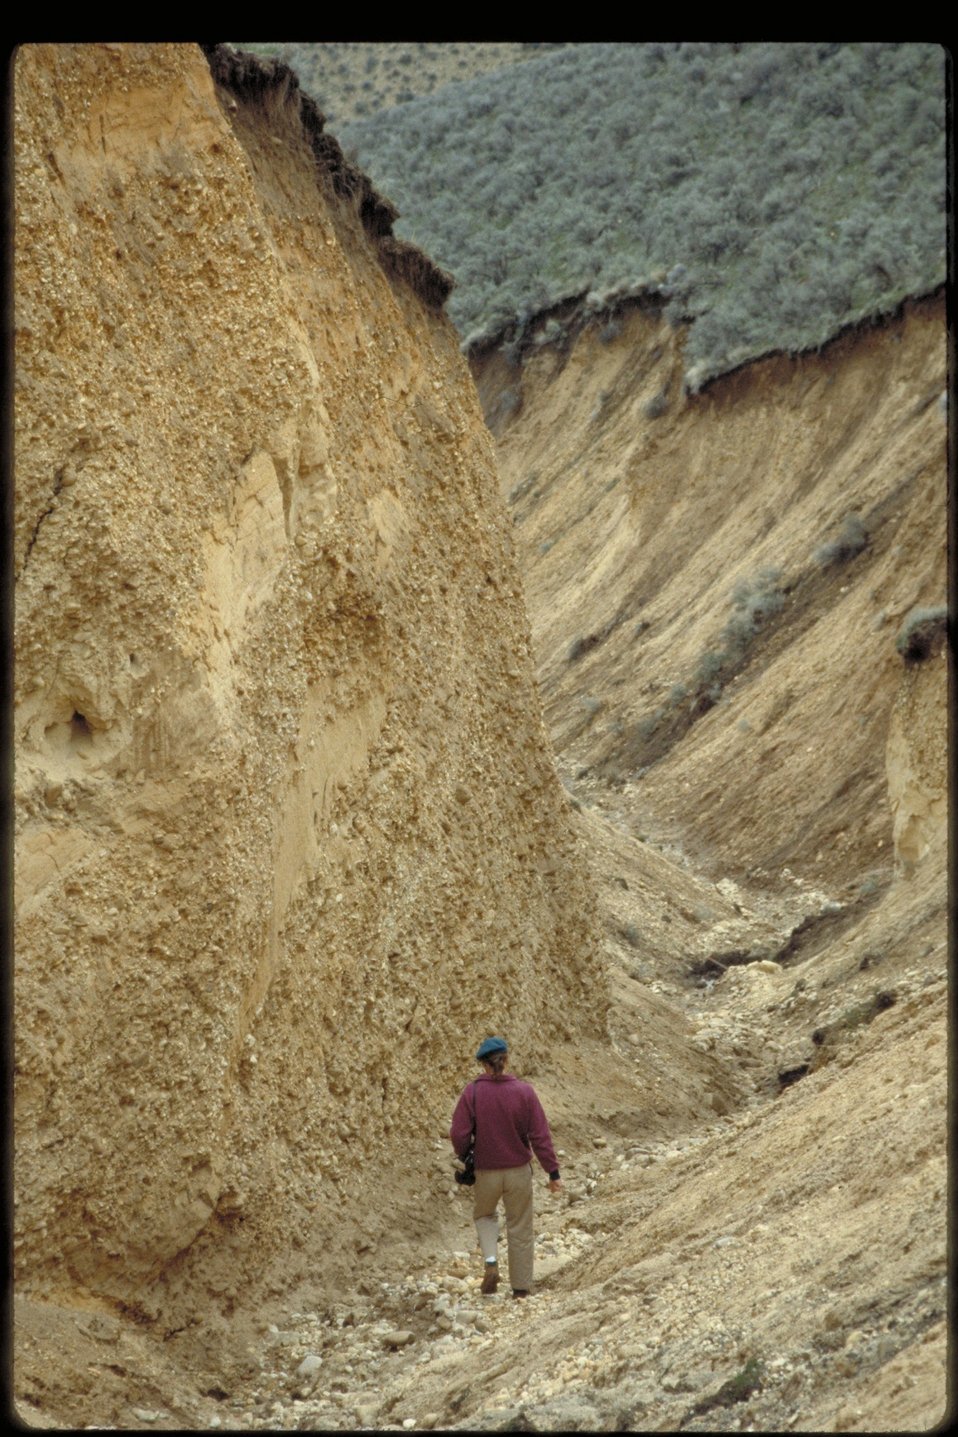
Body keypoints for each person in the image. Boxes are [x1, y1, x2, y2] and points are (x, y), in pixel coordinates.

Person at [450, 1035, 563, 1298]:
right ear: (507, 1059)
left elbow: (458, 1133)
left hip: (486, 1170)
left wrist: (465, 1152)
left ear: (483, 1065)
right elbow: (540, 1136)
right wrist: (553, 1172)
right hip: (518, 1171)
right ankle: (521, 1288)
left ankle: (491, 1262)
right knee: (520, 1225)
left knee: (484, 1215)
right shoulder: (524, 1092)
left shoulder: (473, 1092)